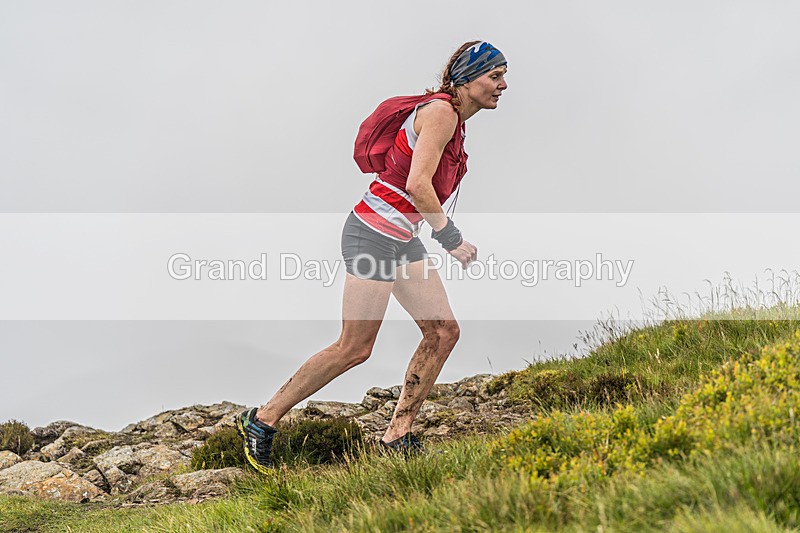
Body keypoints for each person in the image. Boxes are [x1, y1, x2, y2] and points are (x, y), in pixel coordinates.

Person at [236, 41, 508, 473]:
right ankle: (262, 420)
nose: (503, 85)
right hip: (371, 234)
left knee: (442, 332)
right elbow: (419, 186)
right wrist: (451, 238)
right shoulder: (441, 113)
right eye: (494, 76)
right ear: (468, 78)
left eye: (502, 75)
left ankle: (396, 436)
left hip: (400, 238)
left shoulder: (453, 121)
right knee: (354, 347)